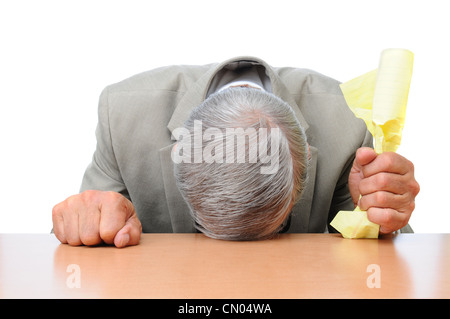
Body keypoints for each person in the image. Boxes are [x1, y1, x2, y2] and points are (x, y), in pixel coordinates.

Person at [52, 56, 420, 247]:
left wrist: (379, 214)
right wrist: (85, 219)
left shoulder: (349, 121)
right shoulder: (122, 115)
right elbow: (89, 229)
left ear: (304, 160)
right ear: (182, 153)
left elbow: (385, 255)